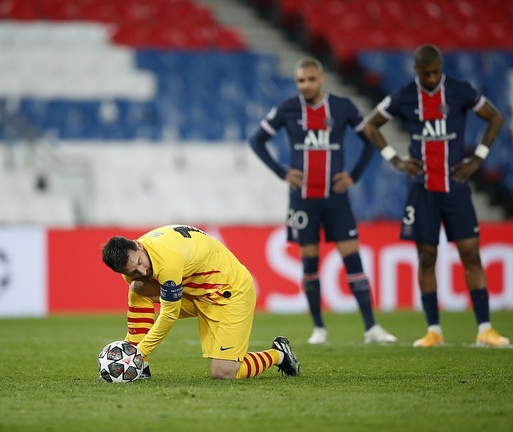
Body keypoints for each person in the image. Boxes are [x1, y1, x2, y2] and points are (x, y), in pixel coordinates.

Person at [362, 44, 510, 348]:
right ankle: (433, 331)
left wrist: (478, 158)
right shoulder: (404, 95)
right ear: (416, 70)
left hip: (455, 186)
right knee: (426, 257)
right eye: (425, 73)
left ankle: (485, 328)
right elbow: (371, 125)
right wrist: (395, 159)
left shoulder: (460, 90)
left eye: (435, 72)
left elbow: (494, 117)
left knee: (471, 253)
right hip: (421, 189)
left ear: (441, 68)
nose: (431, 78)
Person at [249, 57, 397, 345]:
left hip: (336, 198)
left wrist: (353, 175)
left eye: (310, 79)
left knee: (352, 259)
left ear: (321, 78)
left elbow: (370, 136)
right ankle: (318, 328)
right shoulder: (288, 109)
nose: (305, 85)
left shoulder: (342, 107)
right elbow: (257, 141)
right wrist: (281, 172)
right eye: (300, 81)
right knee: (309, 263)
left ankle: (371, 328)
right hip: (303, 201)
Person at [101, 225, 301, 379]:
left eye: (139, 263)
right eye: (132, 271)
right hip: (196, 293)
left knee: (224, 372)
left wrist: (139, 351)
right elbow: (141, 283)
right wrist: (139, 354)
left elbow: (169, 314)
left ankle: (280, 354)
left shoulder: (167, 259)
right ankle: (141, 367)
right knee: (138, 288)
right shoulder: (132, 268)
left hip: (230, 294)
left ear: (138, 244)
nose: (142, 272)